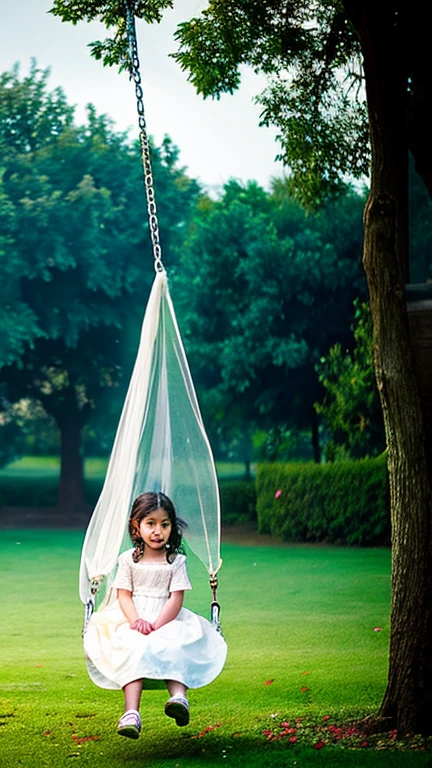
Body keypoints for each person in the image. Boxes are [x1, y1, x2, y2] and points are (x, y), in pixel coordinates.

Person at [83, 491, 227, 739]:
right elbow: (124, 594)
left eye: (165, 524)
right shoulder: (128, 560)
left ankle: (179, 698)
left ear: (172, 527)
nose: (158, 531)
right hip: (132, 616)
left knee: (176, 642)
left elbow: (176, 598)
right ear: (136, 527)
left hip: (168, 616)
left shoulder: (176, 561)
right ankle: (131, 713)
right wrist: (136, 620)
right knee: (133, 646)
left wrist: (158, 624)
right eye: (150, 524)